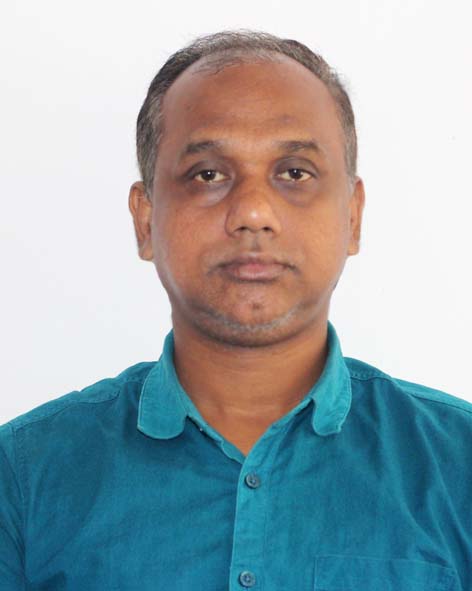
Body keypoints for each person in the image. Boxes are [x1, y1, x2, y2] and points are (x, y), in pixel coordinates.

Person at [1, 30, 470, 590]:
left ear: (352, 216)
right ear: (146, 219)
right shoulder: (23, 476)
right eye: (208, 174)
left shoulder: (459, 466)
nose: (252, 211)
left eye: (294, 172)